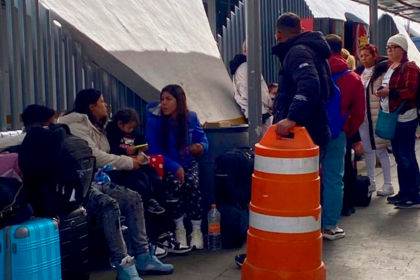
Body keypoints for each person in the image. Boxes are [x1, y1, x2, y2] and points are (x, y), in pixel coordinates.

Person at [58, 89, 174, 279]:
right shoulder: (76, 125)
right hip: (83, 184)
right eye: (102, 102)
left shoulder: (95, 124)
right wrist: (128, 162)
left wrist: (135, 158)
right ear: (91, 106)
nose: (106, 105)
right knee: (110, 205)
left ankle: (143, 256)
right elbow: (94, 155)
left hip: (100, 179)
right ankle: (124, 265)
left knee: (133, 198)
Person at [145, 84, 209, 250]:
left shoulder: (190, 117)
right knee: (174, 185)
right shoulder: (154, 120)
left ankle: (196, 230)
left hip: (187, 161)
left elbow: (203, 139)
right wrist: (173, 167)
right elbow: (152, 150)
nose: (163, 103)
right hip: (166, 164)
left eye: (168, 99)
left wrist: (200, 147)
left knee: (192, 185)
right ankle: (179, 228)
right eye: (162, 99)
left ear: (179, 101)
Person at [322, 34, 365, 240]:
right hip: (337, 132)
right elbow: (359, 113)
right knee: (334, 178)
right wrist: (347, 130)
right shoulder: (353, 78)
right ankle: (330, 226)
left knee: (307, 177)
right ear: (341, 50)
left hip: (309, 133)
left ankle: (304, 222)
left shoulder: (313, 70)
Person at [272, 12, 331, 150]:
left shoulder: (297, 52)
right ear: (302, 30)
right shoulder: (312, 50)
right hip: (315, 127)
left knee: (295, 171)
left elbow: (309, 84)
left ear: (278, 34)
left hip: (301, 133)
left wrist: (292, 117)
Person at [376, 34, 420, 208]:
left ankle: (414, 194)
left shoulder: (409, 68)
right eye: (388, 47)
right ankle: (404, 192)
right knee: (400, 158)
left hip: (405, 117)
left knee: (407, 156)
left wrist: (390, 92)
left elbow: (410, 92)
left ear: (403, 49)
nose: (390, 50)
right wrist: (382, 91)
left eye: (394, 47)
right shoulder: (391, 66)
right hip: (393, 116)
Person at [106, 108, 165, 215]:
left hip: (136, 160)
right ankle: (148, 200)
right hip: (123, 164)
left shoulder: (133, 133)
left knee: (151, 170)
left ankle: (162, 196)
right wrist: (125, 151)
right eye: (129, 127)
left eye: (133, 128)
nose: (131, 130)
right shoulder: (113, 133)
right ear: (120, 124)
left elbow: (140, 140)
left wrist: (141, 148)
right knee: (142, 177)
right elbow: (113, 150)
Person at [355, 43, 394, 196]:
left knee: (381, 149)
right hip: (362, 116)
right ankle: (371, 182)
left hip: (376, 115)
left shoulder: (382, 71)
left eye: (367, 55)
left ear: (374, 55)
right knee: (368, 149)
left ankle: (388, 184)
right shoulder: (359, 72)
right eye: (361, 56)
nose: (364, 59)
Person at [230, 41, 273, 135]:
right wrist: (270, 102)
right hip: (258, 111)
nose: (259, 54)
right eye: (258, 51)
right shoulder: (247, 68)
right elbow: (252, 91)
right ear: (247, 50)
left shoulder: (243, 67)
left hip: (256, 110)